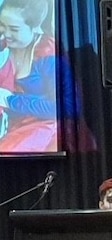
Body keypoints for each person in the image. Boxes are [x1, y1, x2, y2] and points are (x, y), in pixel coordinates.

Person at [0, 0, 57, 153]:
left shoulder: (49, 53)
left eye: (14, 29)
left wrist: (9, 100)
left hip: (41, 126)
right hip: (9, 123)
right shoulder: (3, 44)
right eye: (2, 25)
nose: (6, 34)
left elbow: (58, 108)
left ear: (36, 28)